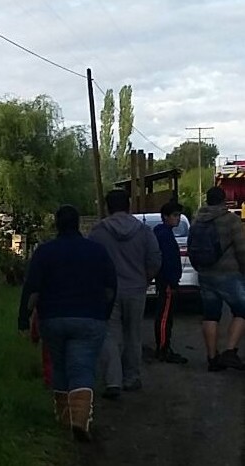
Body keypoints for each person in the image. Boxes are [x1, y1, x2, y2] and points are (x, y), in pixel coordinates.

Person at [18, 205, 116, 442]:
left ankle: (63, 418)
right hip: (89, 318)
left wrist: (24, 318)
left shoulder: (44, 252)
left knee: (60, 366)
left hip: (53, 319)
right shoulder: (97, 251)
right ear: (78, 223)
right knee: (82, 368)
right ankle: (79, 421)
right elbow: (110, 288)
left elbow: (32, 290)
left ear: (56, 225)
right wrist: (105, 313)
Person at [88, 189, 161, 398]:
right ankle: (132, 377)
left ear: (107, 207)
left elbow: (90, 261)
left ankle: (113, 382)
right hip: (137, 289)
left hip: (107, 292)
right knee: (133, 334)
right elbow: (155, 259)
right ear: (128, 205)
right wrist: (145, 279)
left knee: (109, 334)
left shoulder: (98, 232)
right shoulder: (144, 230)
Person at [188, 186, 245, 371]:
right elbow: (242, 249)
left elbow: (191, 248)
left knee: (211, 315)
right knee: (241, 310)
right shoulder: (232, 220)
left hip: (205, 274)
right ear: (224, 201)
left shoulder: (197, 221)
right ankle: (230, 351)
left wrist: (200, 268)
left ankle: (212, 359)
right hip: (229, 274)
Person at [152, 201, 189, 364]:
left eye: (179, 215)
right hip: (167, 281)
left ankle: (164, 346)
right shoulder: (164, 236)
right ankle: (163, 348)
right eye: (175, 215)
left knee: (165, 315)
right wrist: (172, 281)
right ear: (165, 217)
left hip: (167, 280)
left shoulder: (165, 234)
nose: (178, 218)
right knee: (165, 316)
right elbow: (167, 261)